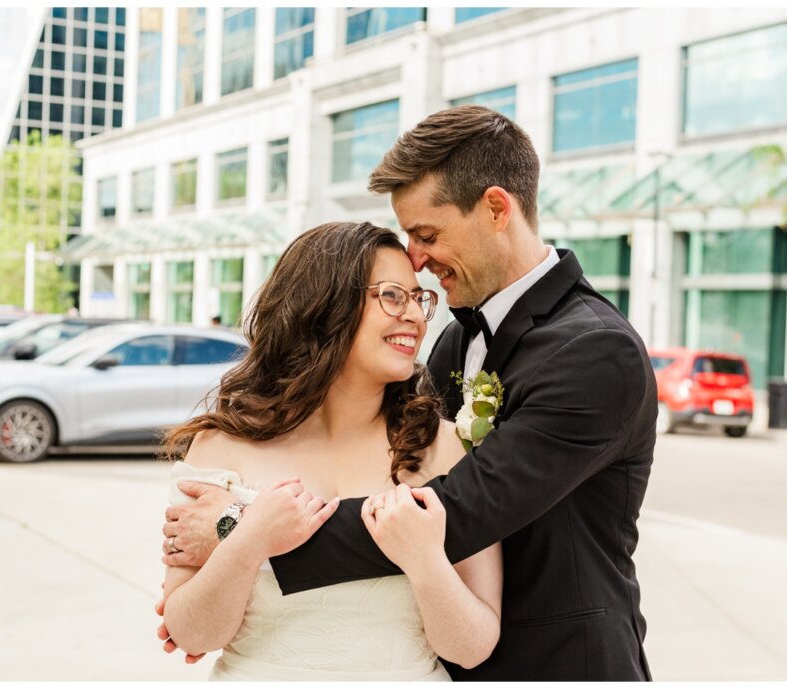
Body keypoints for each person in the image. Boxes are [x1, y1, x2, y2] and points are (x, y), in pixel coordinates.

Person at [161, 105, 657, 680]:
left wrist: (236, 529)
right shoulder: (452, 345)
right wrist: (219, 591)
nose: (418, 259)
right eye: (394, 288)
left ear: (496, 208)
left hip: (557, 662)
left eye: (427, 235)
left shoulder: (596, 352)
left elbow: (456, 512)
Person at [158, 220, 503, 681]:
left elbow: (473, 646)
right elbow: (192, 636)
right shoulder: (223, 446)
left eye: (419, 298)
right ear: (324, 304)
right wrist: (248, 537)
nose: (418, 318)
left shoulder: (444, 449)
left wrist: (425, 562)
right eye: (392, 296)